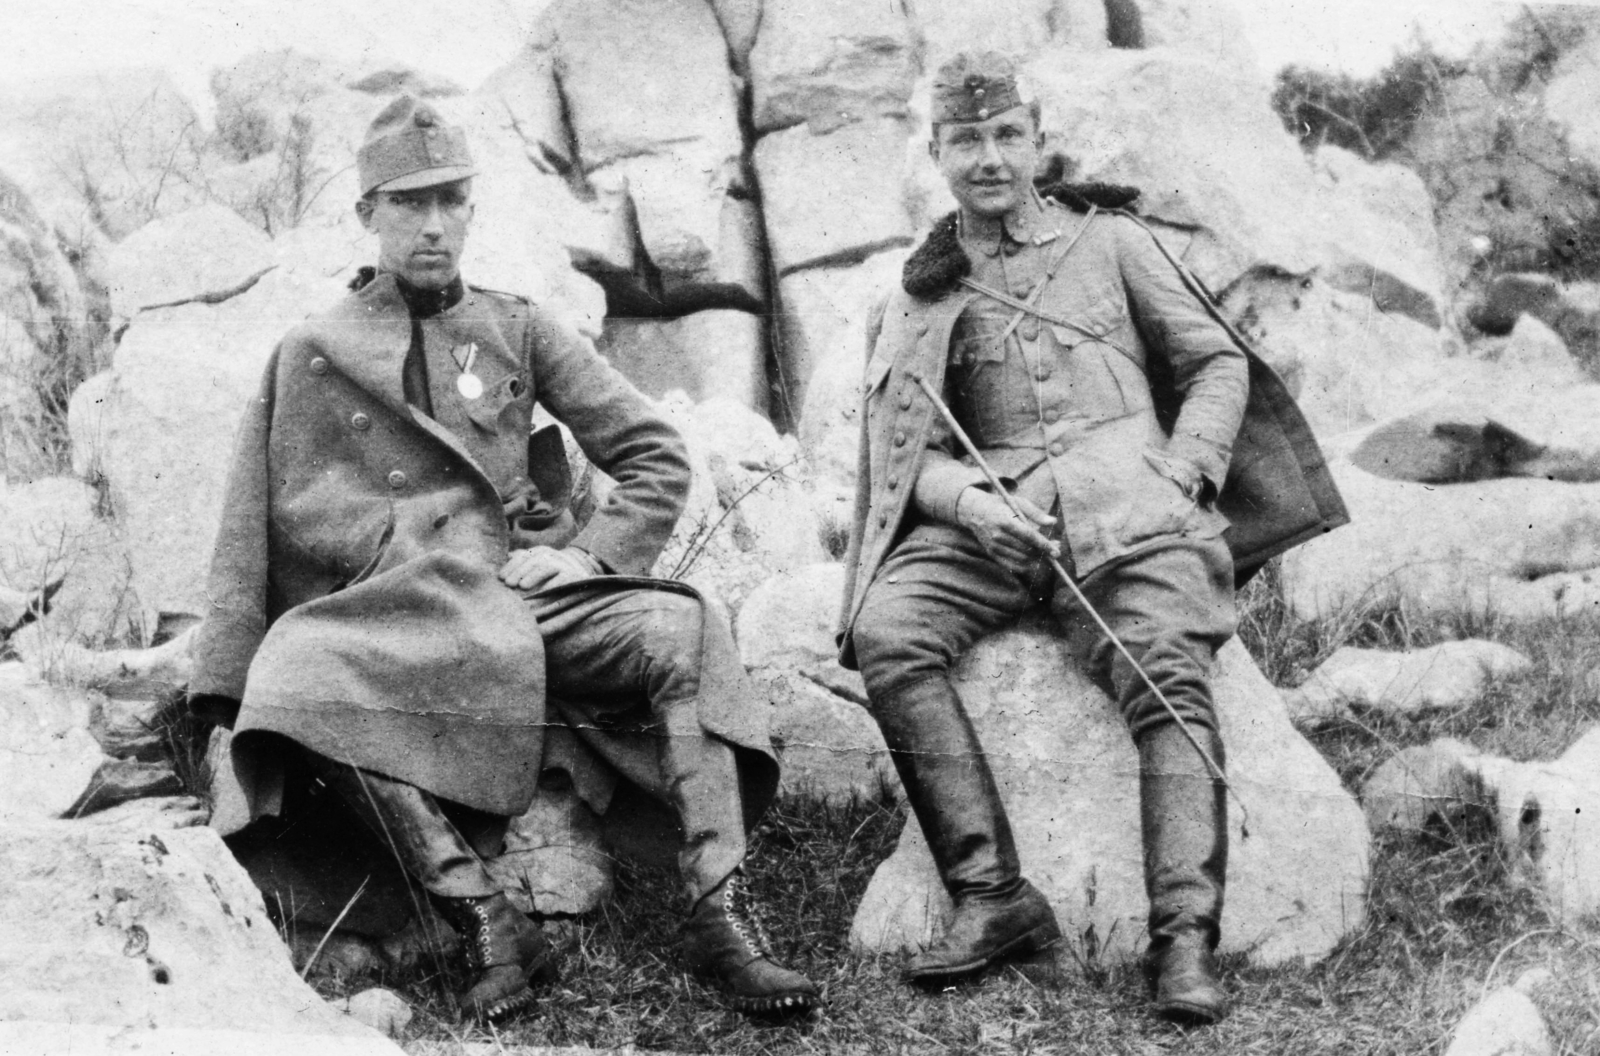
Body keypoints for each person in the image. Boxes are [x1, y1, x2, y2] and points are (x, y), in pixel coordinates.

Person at [189, 94, 818, 1023]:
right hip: (396, 621)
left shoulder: (517, 328)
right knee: (294, 673)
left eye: (451, 200)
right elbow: (251, 535)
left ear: (474, 208)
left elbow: (653, 453)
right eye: (408, 203)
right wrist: (223, 691)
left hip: (519, 600)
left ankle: (721, 912)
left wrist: (591, 558)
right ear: (367, 214)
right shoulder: (310, 352)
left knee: (678, 624)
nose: (433, 224)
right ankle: (482, 915)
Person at [836, 53, 1344, 1025]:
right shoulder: (918, 292)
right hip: (997, 526)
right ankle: (993, 897)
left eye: (1005, 135)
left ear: (1035, 138)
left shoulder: (1110, 242)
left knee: (1164, 672)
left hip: (1131, 505)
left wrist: (1183, 469)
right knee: (887, 629)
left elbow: (1213, 365)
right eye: (966, 140)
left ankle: (1183, 939)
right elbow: (909, 454)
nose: (988, 157)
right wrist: (973, 506)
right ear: (937, 154)